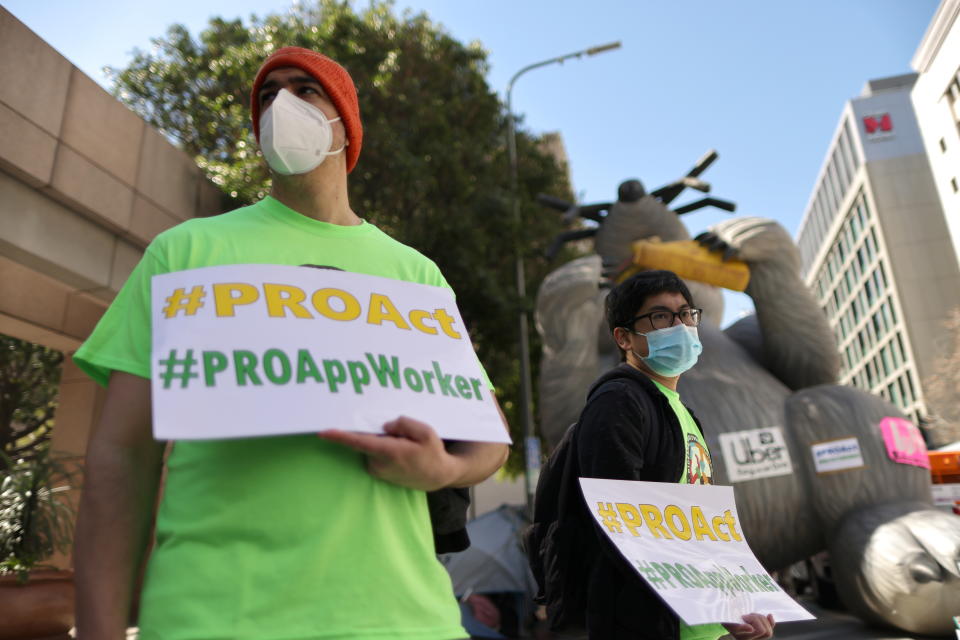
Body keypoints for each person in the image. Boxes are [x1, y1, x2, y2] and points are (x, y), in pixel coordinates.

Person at [73, 46, 509, 640]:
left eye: (305, 90)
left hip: (407, 621)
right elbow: (120, 461)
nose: (281, 105)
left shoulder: (415, 273)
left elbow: (486, 437)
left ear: (345, 124)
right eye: (268, 95)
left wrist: (441, 469)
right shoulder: (185, 254)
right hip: (215, 620)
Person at [527, 270, 774, 640]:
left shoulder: (682, 412)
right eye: (660, 316)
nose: (679, 325)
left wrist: (739, 595)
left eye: (686, 313)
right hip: (649, 624)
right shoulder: (619, 403)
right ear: (624, 337)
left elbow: (700, 527)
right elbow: (623, 528)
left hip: (708, 627)